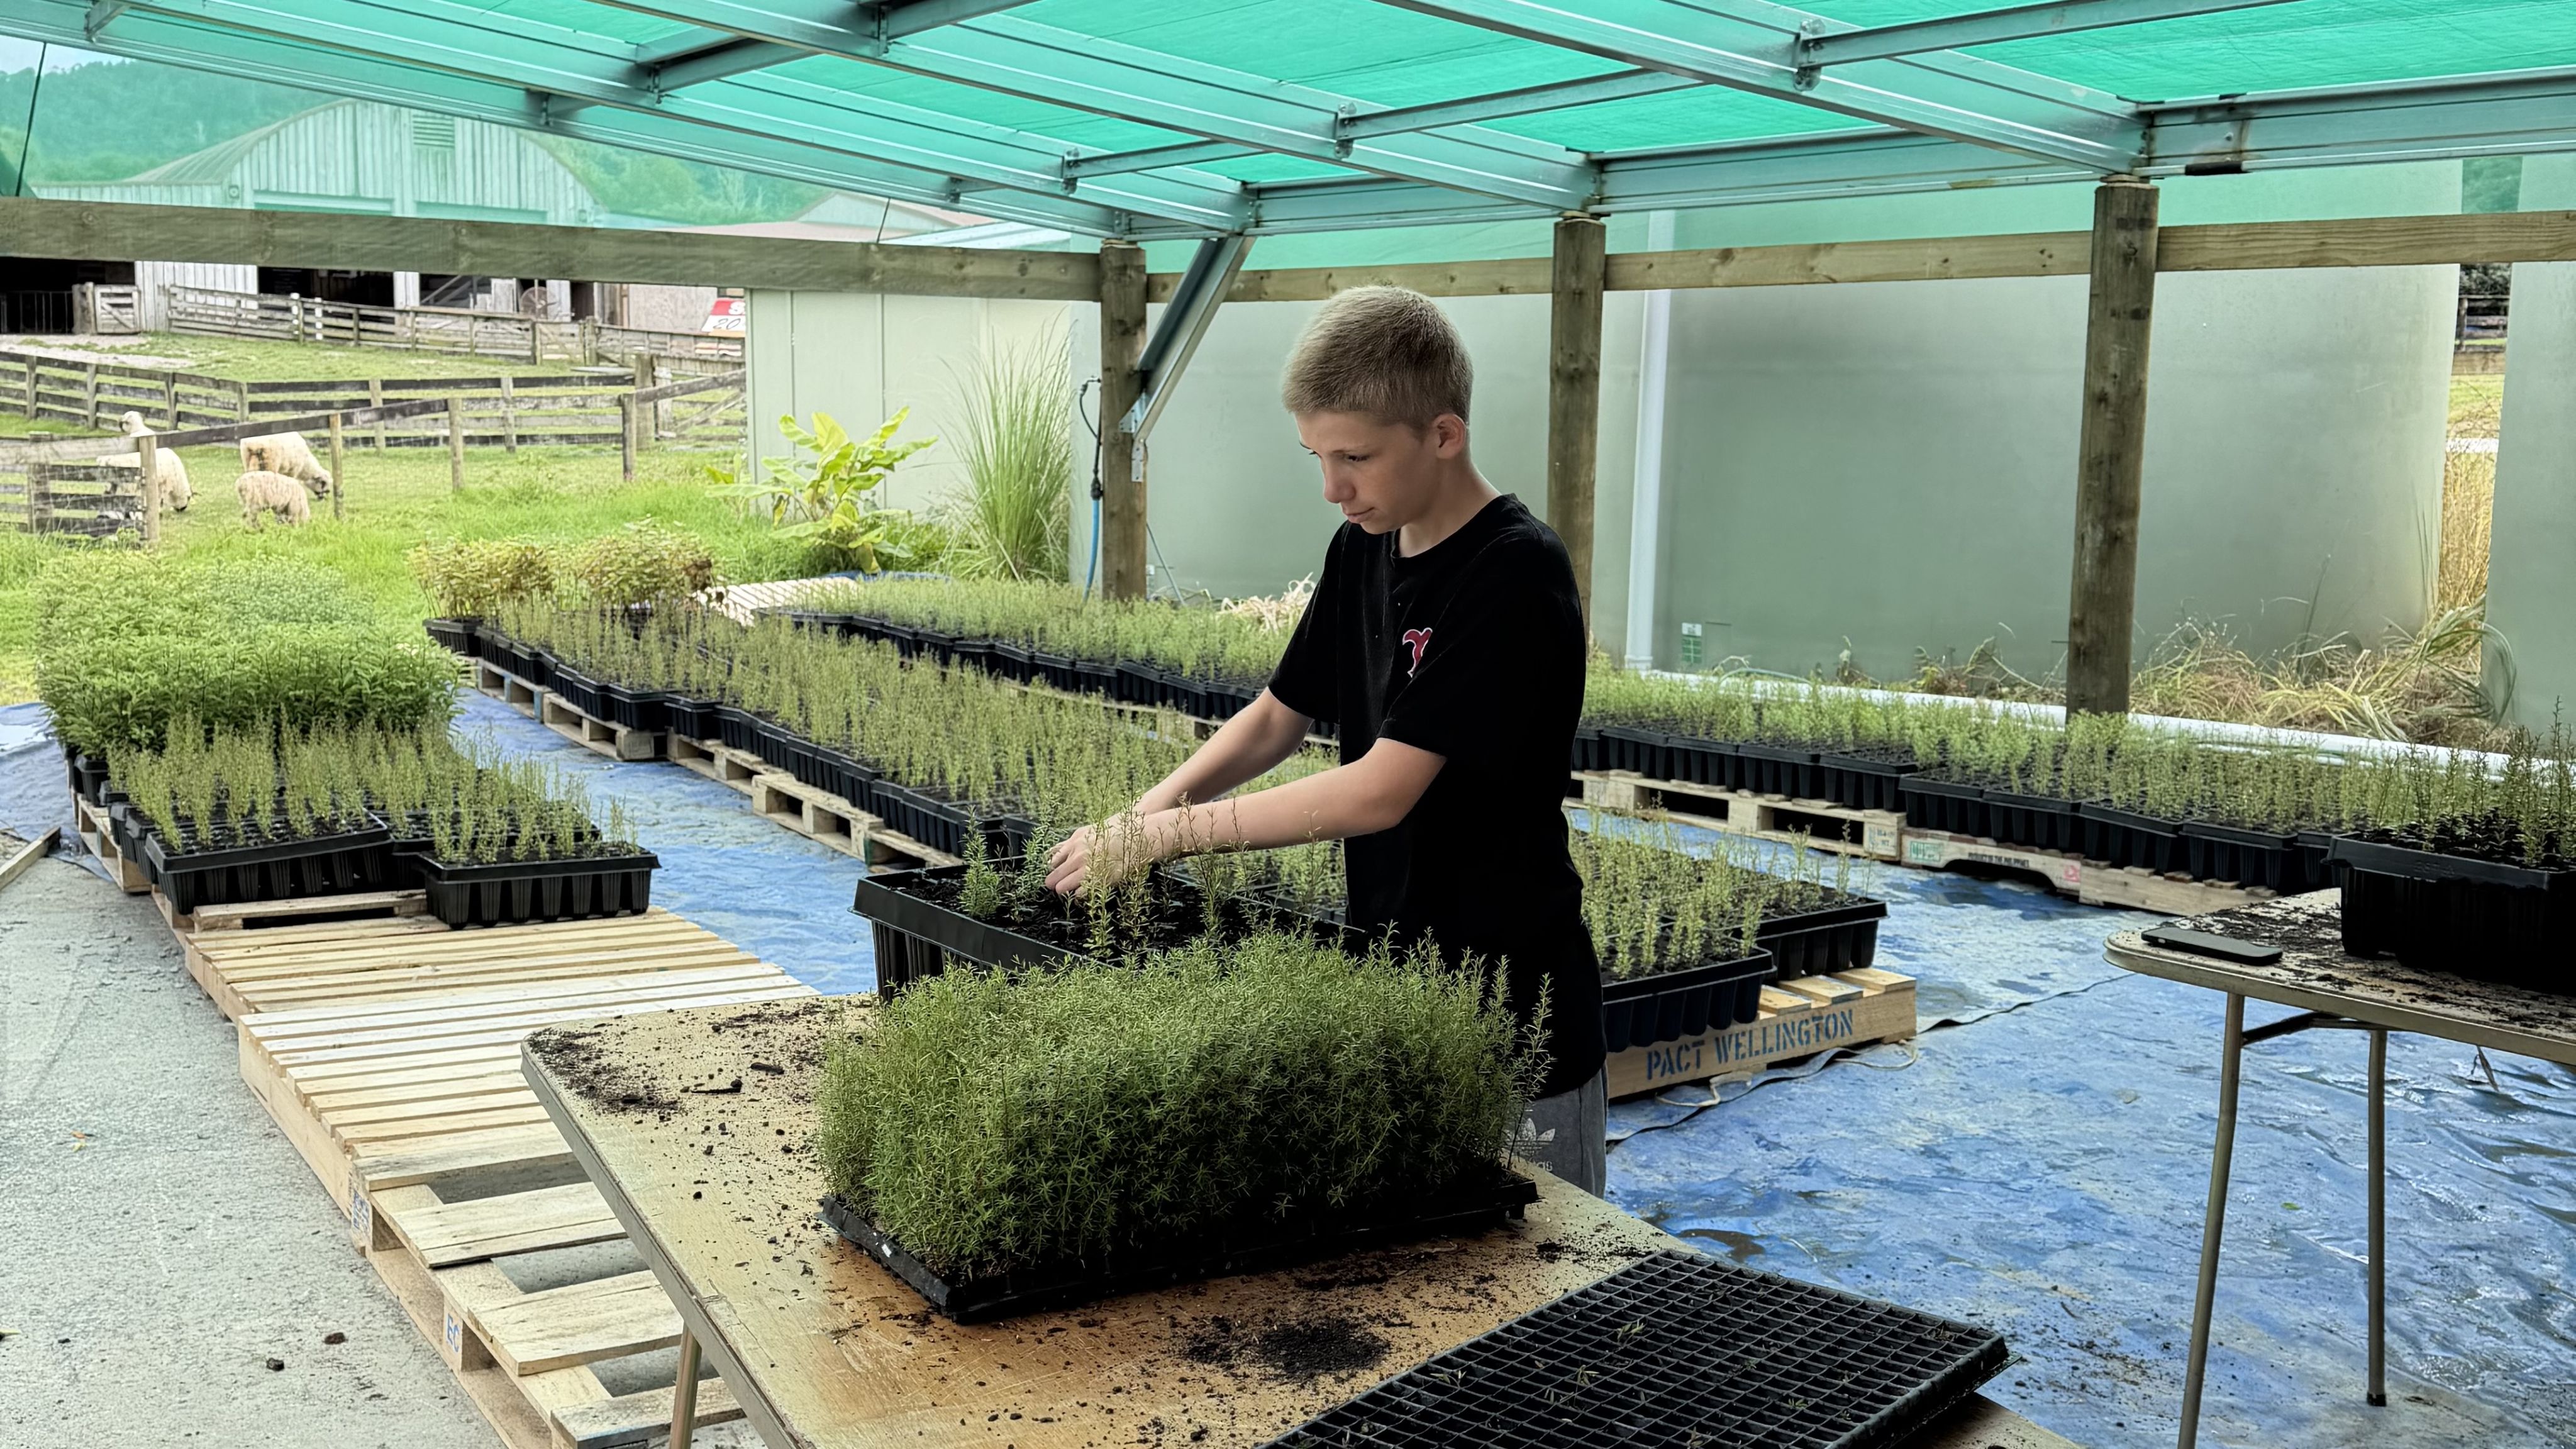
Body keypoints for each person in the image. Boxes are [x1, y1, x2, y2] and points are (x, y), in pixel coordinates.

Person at [1045, 285, 1606, 1194]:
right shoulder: (1365, 545)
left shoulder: (1514, 575)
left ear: (1444, 435)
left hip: (1514, 1012)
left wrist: (1168, 836)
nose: (1333, 487)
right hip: (1396, 985)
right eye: (1316, 456)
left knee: (1540, 1288)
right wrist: (1132, 820)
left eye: (1356, 457)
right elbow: (1279, 715)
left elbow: (1378, 791)